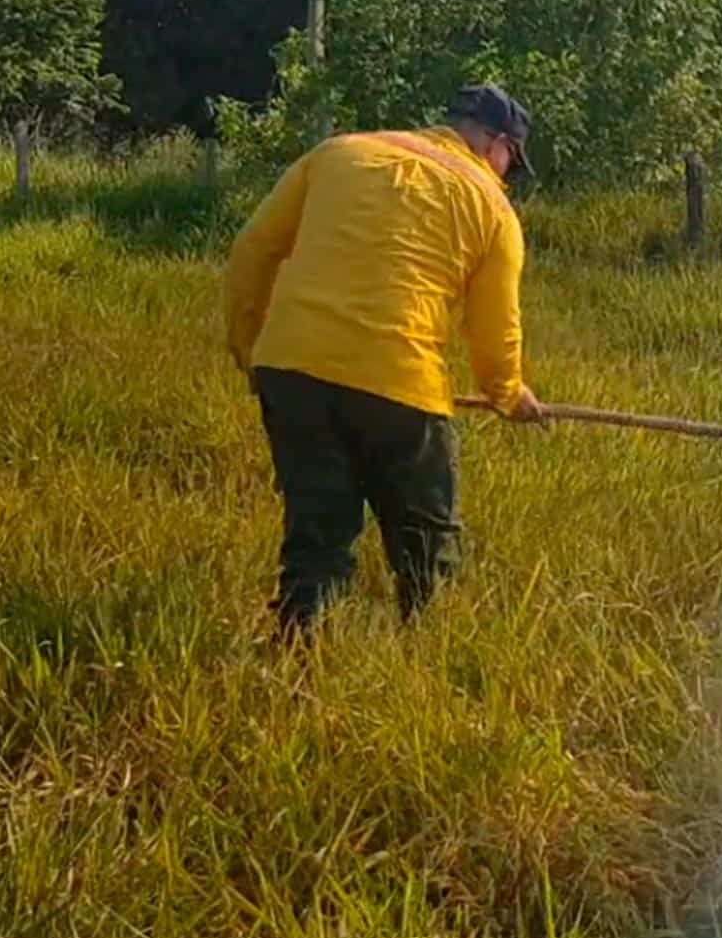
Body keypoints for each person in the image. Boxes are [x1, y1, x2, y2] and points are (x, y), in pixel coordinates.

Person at [221, 84, 548, 641]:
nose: (509, 175)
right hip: (401, 384)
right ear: (496, 145)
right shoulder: (492, 208)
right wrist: (507, 393)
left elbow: (252, 250)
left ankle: (298, 653)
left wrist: (252, 352)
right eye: (512, 162)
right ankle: (427, 654)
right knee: (426, 541)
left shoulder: (339, 152)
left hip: (292, 371)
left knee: (317, 534)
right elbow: (494, 329)